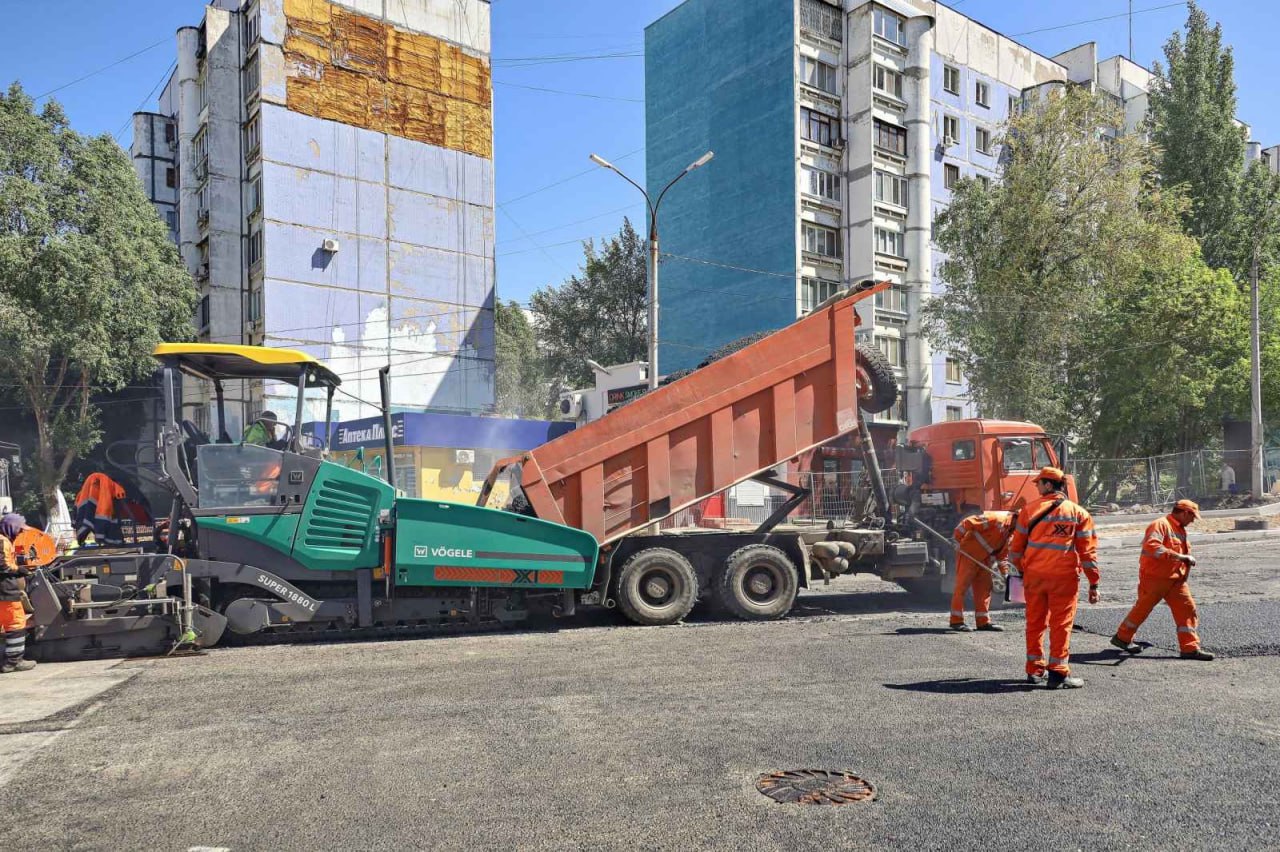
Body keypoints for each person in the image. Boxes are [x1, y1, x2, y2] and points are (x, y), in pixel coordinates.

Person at [1008, 466, 1100, 689]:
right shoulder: (1078, 513)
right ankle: (1058, 673)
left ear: (1049, 485)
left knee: (1035, 623)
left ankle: (1034, 670)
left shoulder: (1028, 511)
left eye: (1039, 483)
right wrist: (1094, 582)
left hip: (1035, 578)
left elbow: (1015, 550)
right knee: (1061, 624)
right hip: (1063, 579)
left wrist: (1023, 572)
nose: (1037, 487)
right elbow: (1087, 554)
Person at [1110, 499, 1214, 661]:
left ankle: (1190, 648)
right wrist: (1180, 556)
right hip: (1155, 578)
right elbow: (1152, 546)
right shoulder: (1160, 524)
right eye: (1192, 517)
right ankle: (1122, 638)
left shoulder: (1178, 528)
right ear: (1185, 513)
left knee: (1187, 609)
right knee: (1142, 609)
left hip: (1175, 579)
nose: (1193, 521)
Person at [949, 511, 1014, 632]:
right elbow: (968, 522)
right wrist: (956, 539)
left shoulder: (1010, 533)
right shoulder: (996, 519)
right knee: (961, 588)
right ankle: (956, 621)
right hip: (968, 554)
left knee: (984, 589)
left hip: (984, 560)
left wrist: (1005, 574)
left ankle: (983, 622)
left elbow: (1002, 556)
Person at [1, 513, 37, 674]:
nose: (20, 533)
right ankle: (13, 662)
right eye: (19, 530)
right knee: (15, 624)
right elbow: (3, 566)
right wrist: (20, 570)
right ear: (11, 527)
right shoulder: (2, 541)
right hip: (4, 590)